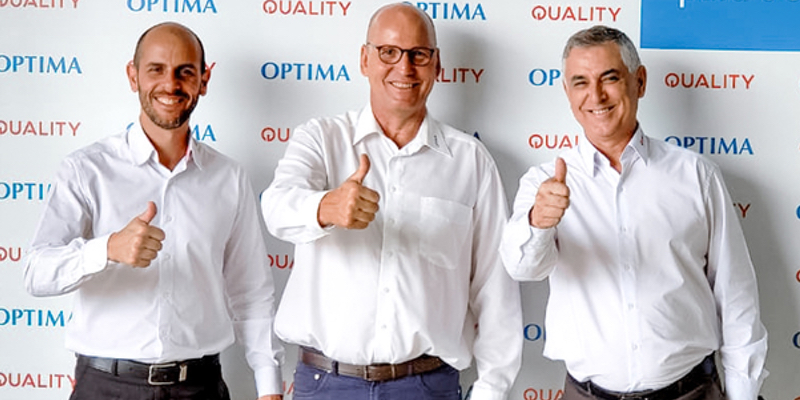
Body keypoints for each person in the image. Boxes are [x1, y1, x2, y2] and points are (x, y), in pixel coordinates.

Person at [260, 3, 522, 400]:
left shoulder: (471, 161)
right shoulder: (321, 139)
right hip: (326, 385)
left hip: (428, 387)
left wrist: (491, 391)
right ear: (364, 60)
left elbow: (495, 290)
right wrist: (326, 207)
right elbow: (277, 208)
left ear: (437, 65)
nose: (405, 67)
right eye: (388, 52)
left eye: (419, 55)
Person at [499, 25, 768, 400]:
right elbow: (522, 268)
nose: (596, 95)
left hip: (691, 392)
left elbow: (736, 297)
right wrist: (539, 223)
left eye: (609, 78)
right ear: (567, 92)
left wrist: (743, 394)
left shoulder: (696, 175)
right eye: (580, 82)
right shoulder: (543, 183)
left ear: (639, 82)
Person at [24, 22, 283, 400]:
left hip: (201, 388)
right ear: (133, 76)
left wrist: (269, 387)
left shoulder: (229, 177)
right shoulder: (86, 169)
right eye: (156, 69)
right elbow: (37, 272)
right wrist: (107, 249)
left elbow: (252, 291)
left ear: (204, 80)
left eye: (185, 72)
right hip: (107, 388)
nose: (170, 84)